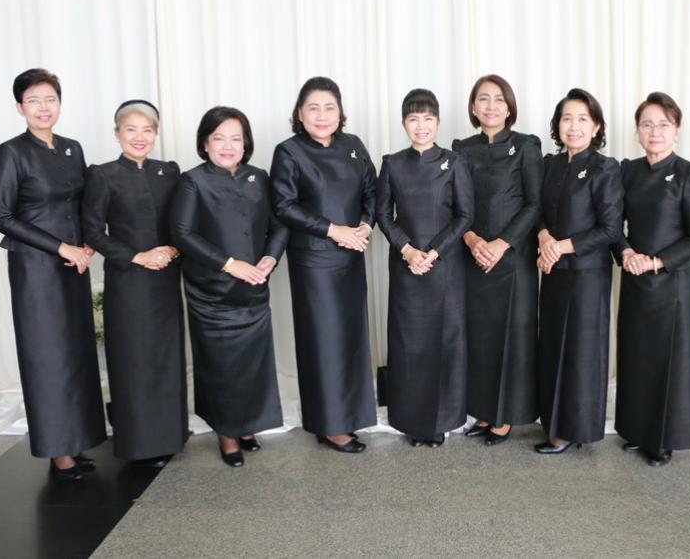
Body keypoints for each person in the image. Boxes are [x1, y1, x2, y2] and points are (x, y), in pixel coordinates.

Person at [0, 68, 106, 481]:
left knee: (76, 353)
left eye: (50, 99)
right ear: (19, 107)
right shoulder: (12, 152)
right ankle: (58, 452)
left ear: (60, 103)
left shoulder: (72, 148)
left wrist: (88, 243)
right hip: (36, 269)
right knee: (47, 356)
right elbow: (1, 216)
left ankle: (77, 439)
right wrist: (60, 247)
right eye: (33, 100)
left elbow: (86, 203)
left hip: (75, 265)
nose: (43, 107)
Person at [170, 106, 288, 467]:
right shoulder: (193, 181)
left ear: (246, 143)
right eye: (218, 138)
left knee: (252, 363)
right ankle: (226, 432)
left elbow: (279, 224)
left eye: (236, 138)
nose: (227, 145)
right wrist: (229, 264)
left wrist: (270, 258)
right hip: (211, 292)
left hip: (253, 288)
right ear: (205, 143)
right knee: (220, 366)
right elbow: (182, 233)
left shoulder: (259, 177)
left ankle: (247, 425)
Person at [270, 77, 377, 453]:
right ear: (299, 113)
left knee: (350, 339)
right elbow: (284, 205)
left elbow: (372, 191)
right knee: (323, 342)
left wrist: (365, 225)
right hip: (314, 261)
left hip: (352, 255)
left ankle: (343, 417)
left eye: (329, 107)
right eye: (313, 108)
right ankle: (331, 425)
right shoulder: (288, 152)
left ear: (340, 112)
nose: (321, 115)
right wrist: (335, 231)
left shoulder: (353, 146)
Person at [81, 99, 189, 467]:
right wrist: (137, 257)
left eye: (147, 130)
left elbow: (182, 221)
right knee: (134, 361)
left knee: (166, 359)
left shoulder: (169, 172)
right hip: (129, 282)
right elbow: (93, 231)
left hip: (166, 278)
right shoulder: (103, 174)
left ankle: (171, 435)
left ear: (156, 134)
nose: (139, 137)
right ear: (117, 133)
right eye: (131, 130)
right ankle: (140, 444)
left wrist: (173, 248)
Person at [614, 92, 690, 467]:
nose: (655, 132)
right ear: (637, 130)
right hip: (635, 277)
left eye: (663, 125)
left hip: (673, 282)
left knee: (668, 362)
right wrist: (626, 253)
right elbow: (613, 225)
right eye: (647, 124)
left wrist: (656, 262)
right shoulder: (629, 171)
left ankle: (664, 437)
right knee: (636, 357)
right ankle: (637, 430)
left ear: (677, 129)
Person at [375, 89, 474, 447]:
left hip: (444, 267)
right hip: (406, 267)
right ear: (404, 123)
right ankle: (410, 420)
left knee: (444, 342)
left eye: (428, 118)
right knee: (409, 344)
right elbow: (383, 214)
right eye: (413, 119)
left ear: (438, 122)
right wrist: (406, 249)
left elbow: (465, 215)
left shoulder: (454, 162)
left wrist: (433, 252)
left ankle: (440, 423)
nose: (421, 126)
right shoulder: (392, 163)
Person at [452, 75, 542, 446]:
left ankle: (505, 416)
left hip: (514, 257)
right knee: (480, 338)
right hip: (473, 256)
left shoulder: (526, 145)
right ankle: (484, 411)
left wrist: (502, 244)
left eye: (499, 99)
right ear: (473, 108)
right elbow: (456, 204)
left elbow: (534, 204)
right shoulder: (462, 149)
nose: (491, 106)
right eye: (483, 99)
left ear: (509, 107)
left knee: (512, 338)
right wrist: (473, 240)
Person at [536, 88, 624, 454]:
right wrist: (544, 238)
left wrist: (560, 247)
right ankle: (552, 424)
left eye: (582, 119)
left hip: (587, 274)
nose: (573, 126)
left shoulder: (606, 168)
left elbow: (610, 229)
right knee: (552, 347)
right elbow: (537, 211)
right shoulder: (550, 165)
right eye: (567, 119)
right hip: (552, 271)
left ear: (596, 126)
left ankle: (574, 430)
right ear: (558, 125)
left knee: (581, 351)